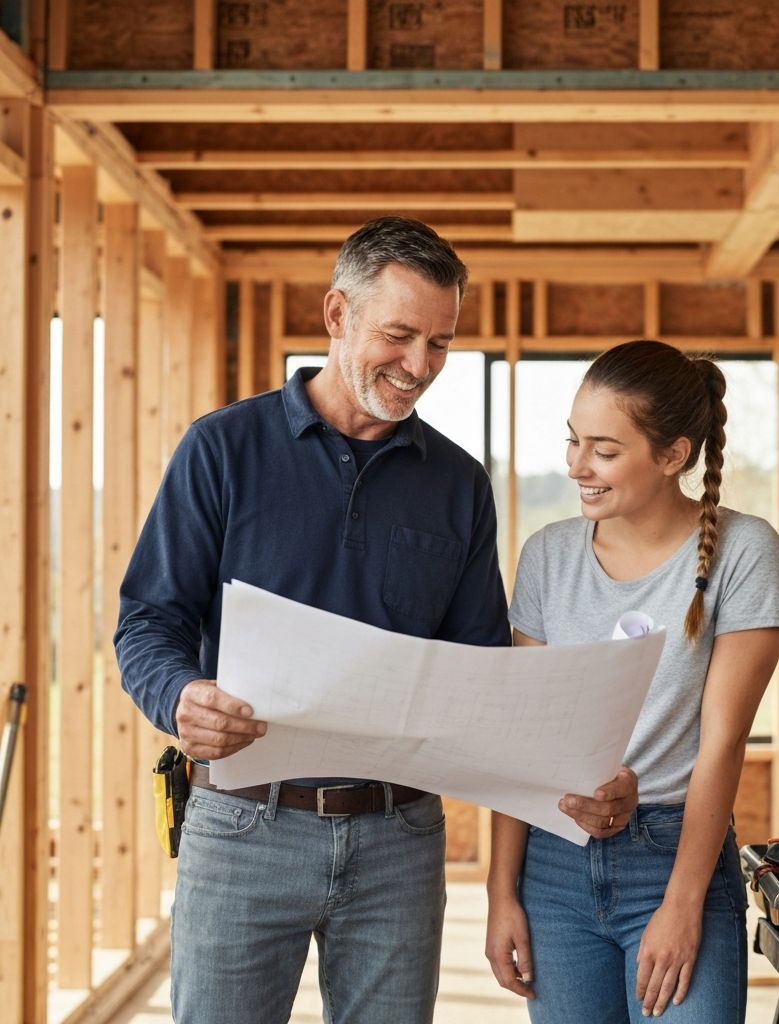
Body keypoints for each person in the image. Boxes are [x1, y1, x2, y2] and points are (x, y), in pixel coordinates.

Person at [115, 216, 638, 1024]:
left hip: (400, 840)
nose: (419, 367)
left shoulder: (459, 485)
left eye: (439, 343)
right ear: (337, 315)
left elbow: (482, 677)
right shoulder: (222, 450)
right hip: (242, 826)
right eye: (399, 336)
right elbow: (147, 622)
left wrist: (569, 772)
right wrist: (180, 696)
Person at [485, 340, 779, 1023]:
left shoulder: (745, 551)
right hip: (554, 866)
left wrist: (683, 905)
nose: (576, 466)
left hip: (675, 858)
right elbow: (522, 738)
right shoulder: (546, 556)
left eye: (603, 448)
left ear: (673, 455)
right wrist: (501, 892)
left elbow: (723, 743)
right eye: (572, 442)